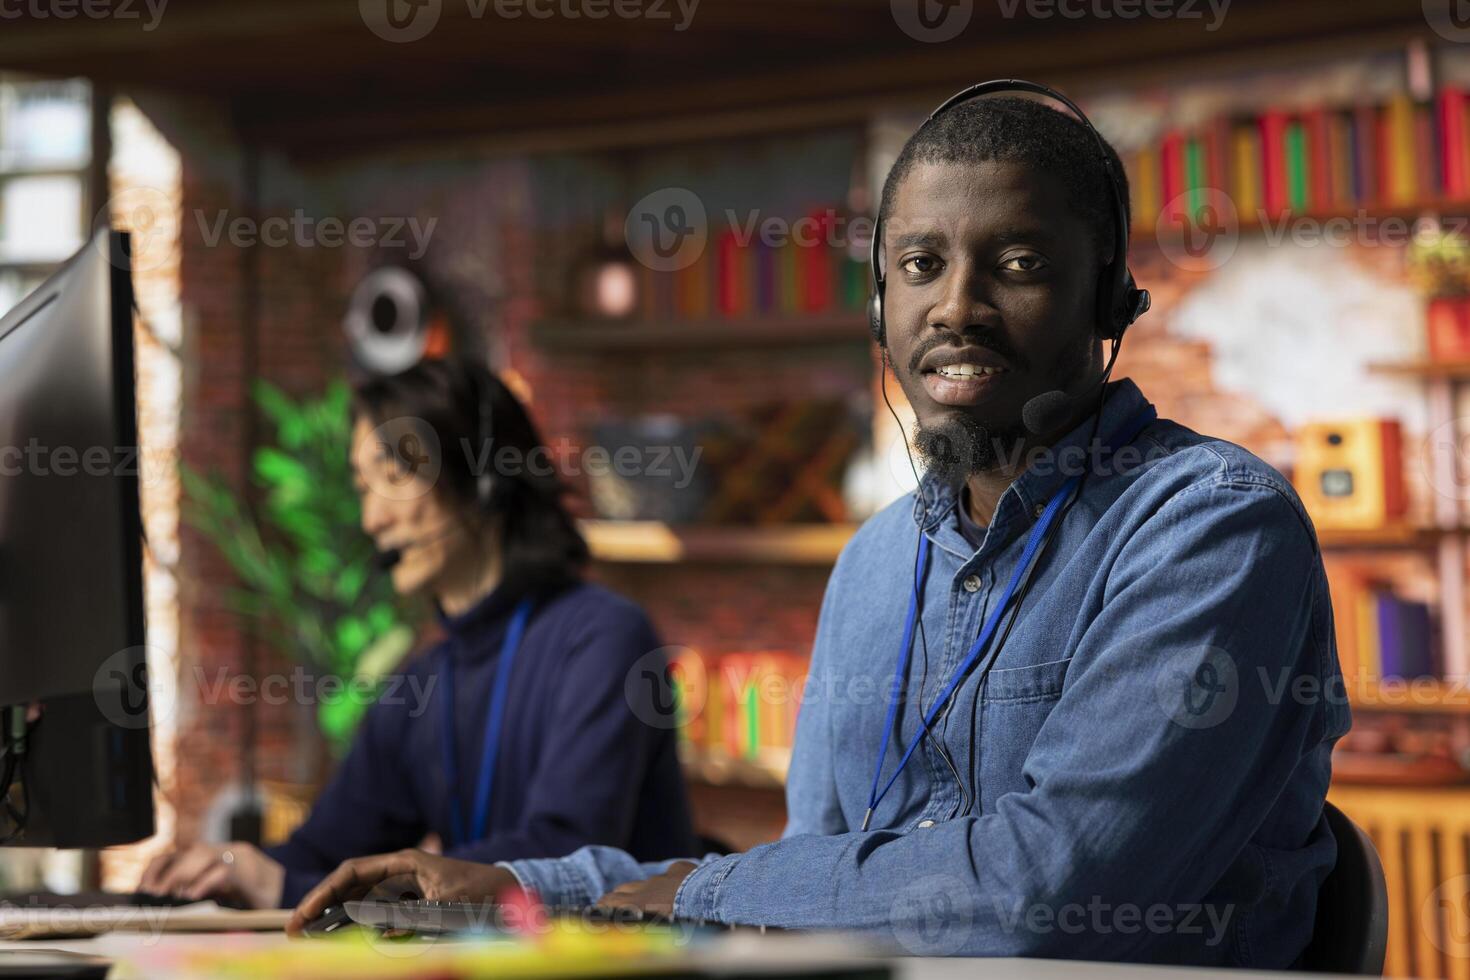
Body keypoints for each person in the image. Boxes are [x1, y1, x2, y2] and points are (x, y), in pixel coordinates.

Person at [286, 88, 1349, 969]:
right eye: (921, 265)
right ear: (879, 305)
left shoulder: (1210, 527)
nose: (957, 306)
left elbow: (1049, 887)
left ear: (1112, 298)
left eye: (1018, 263)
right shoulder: (876, 566)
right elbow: (819, 867)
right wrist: (521, 884)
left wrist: (704, 885)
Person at [141, 357, 699, 908]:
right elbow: (327, 850)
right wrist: (233, 866)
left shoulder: (604, 638)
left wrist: (288, 888)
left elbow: (565, 852)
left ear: (483, 480)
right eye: (364, 487)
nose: (371, 519)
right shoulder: (425, 679)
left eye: (394, 478)